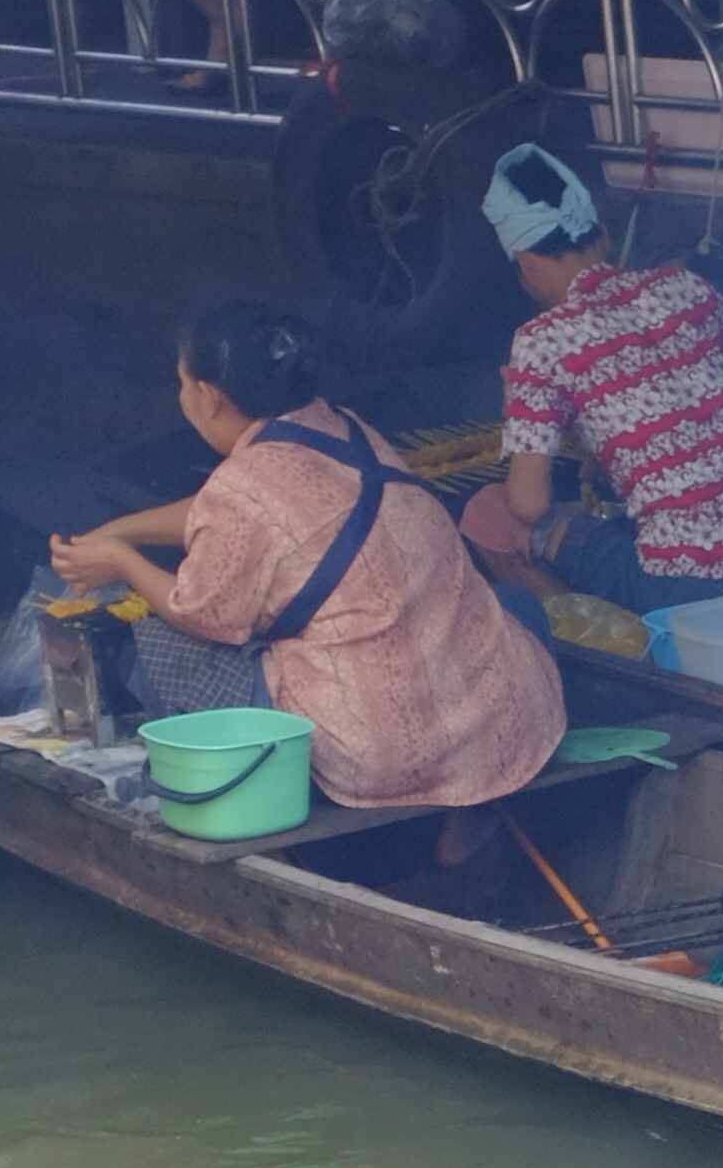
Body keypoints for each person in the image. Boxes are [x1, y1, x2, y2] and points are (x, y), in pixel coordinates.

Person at [47, 298, 564, 835]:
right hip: (497, 724)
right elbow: (228, 509)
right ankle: (474, 813)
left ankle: (238, 791)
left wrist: (123, 562)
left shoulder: (245, 486)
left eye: (181, 384)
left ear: (208, 396)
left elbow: (201, 613)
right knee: (515, 604)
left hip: (377, 756)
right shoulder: (347, 430)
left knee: (163, 641)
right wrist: (120, 530)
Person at [463, 139, 723, 611]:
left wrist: (521, 411)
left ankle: (612, 647)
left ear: (526, 264)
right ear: (604, 238)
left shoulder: (543, 340)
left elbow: (528, 505)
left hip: (688, 590)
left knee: (487, 514)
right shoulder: (688, 288)